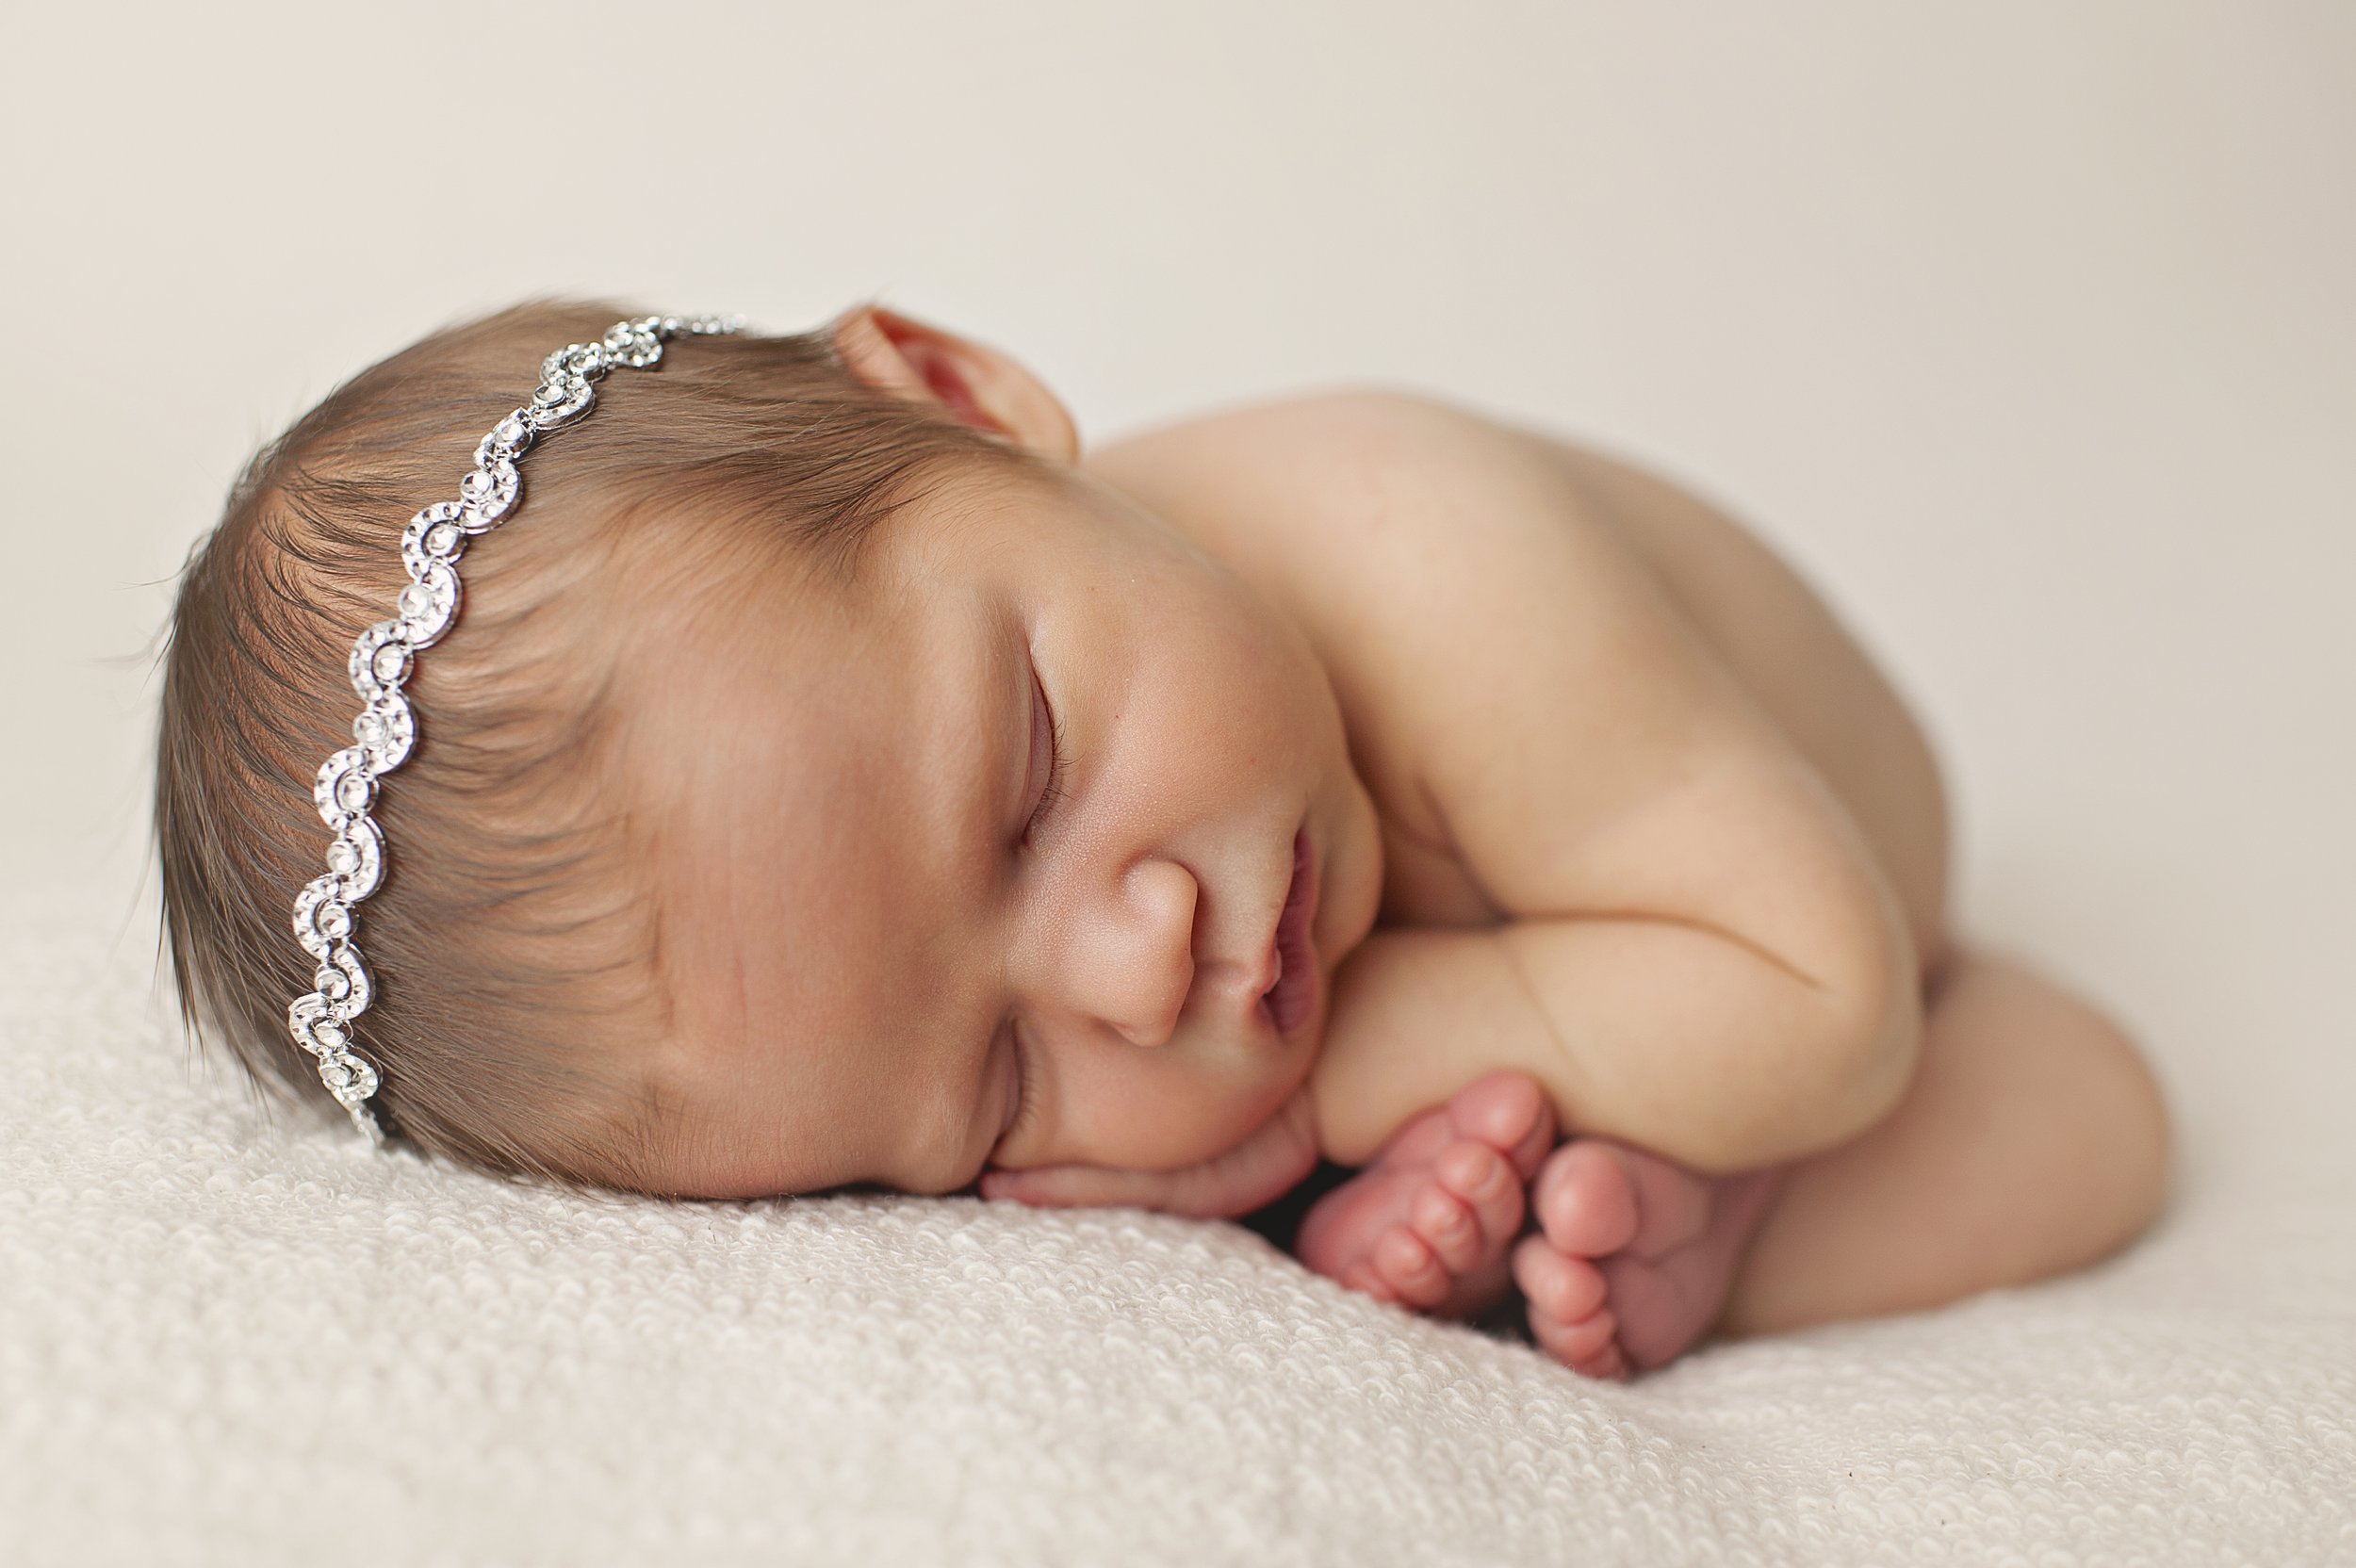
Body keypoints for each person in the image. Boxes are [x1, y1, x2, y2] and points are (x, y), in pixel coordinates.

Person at [155, 302, 2172, 1378]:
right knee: (2076, 1123)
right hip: (1667, 1000)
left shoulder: (1422, 539)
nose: (1128, 970)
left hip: (1819, 914)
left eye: (1029, 777)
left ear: (962, 399)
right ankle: (1655, 1207)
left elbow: (1823, 1006)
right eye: (991, 1085)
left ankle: (1669, 1180)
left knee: (2041, 1087)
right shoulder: (1165, 890)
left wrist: (1336, 1092)